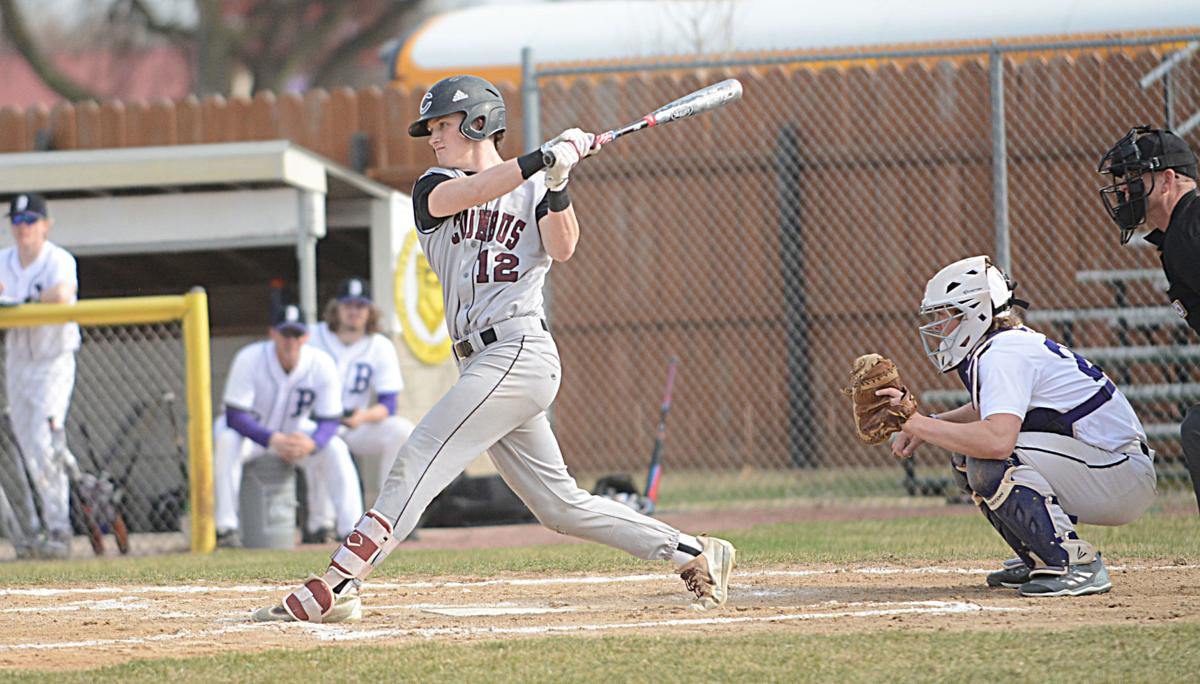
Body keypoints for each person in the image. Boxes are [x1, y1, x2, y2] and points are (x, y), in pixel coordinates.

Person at [253, 75, 735, 623]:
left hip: (520, 349)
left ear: (478, 121)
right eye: (431, 127)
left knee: (419, 456)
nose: (434, 136)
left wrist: (558, 178)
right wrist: (539, 158)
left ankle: (339, 583)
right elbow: (469, 193)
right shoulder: (434, 184)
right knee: (558, 505)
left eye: (443, 125)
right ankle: (694, 552)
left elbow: (564, 246)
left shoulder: (534, 185)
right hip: (481, 360)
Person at [886, 255, 1156, 596]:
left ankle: (1072, 561)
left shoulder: (1003, 352)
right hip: (1108, 467)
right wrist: (929, 425)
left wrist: (916, 422)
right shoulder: (1005, 345)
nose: (939, 326)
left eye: (945, 314)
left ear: (975, 312)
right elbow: (990, 408)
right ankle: (1040, 555)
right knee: (966, 453)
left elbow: (997, 441)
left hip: (1121, 473)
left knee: (988, 456)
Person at [1097, 126, 1200, 512]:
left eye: (1133, 177)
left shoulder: (1190, 234)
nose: (1123, 188)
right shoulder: (1183, 232)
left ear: (1169, 179)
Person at [213, 302, 362, 547]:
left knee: (335, 447)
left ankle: (352, 530)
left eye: (296, 334)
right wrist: (272, 439)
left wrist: (313, 444)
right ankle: (226, 528)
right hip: (253, 437)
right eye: (285, 334)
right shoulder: (250, 358)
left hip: (294, 436)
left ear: (306, 336)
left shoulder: (321, 363)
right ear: (273, 334)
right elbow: (235, 415)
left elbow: (330, 419)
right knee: (226, 438)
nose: (290, 341)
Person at [301, 277, 415, 543]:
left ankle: (391, 518)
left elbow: (389, 403)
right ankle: (321, 524)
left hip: (356, 423)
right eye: (348, 305)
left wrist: (362, 417)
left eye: (360, 306)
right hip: (315, 420)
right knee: (322, 442)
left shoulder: (380, 345)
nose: (354, 311)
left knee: (401, 431)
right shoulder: (314, 336)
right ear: (336, 309)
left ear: (369, 311)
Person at [0, 193, 80, 560]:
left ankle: (59, 528)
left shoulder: (58, 259)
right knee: (25, 447)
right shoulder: (4, 260)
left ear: (45, 224)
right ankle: (35, 530)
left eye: (30, 221)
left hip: (53, 361)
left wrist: (26, 299)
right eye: (16, 222)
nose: (22, 229)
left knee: (46, 444)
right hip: (17, 360)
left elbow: (63, 294)